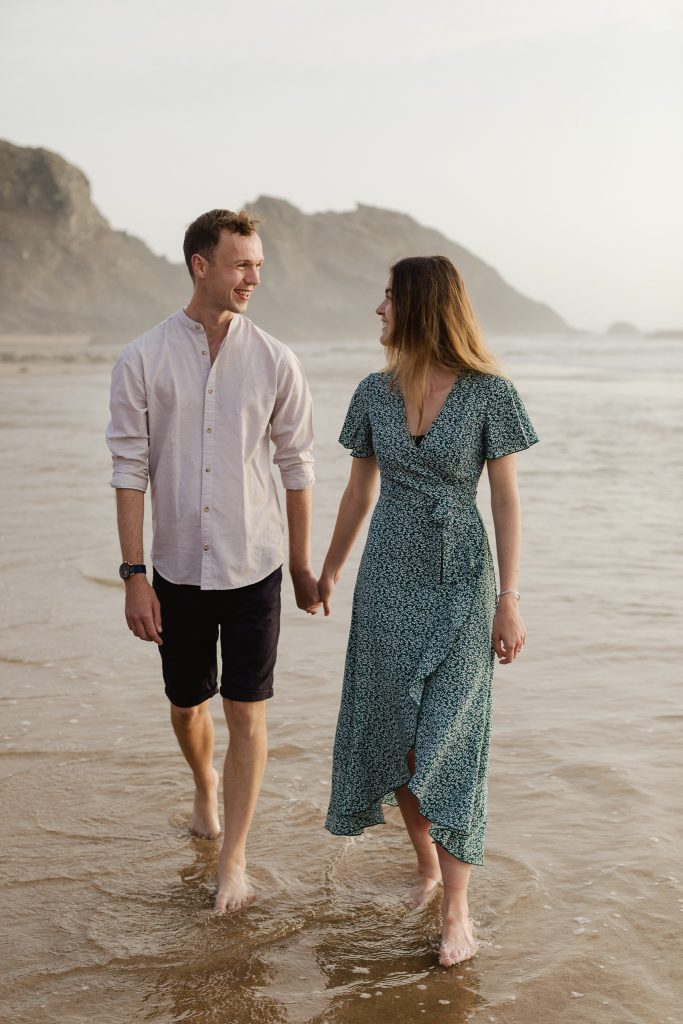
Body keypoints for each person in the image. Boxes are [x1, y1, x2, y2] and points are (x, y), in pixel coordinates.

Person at [318, 255, 539, 966]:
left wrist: (509, 599)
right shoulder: (371, 394)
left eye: (387, 299)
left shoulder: (489, 395)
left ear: (417, 305)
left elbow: (504, 499)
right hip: (385, 580)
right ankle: (424, 866)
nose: (378, 310)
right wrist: (327, 568)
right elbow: (357, 493)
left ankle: (458, 911)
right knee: (400, 737)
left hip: (462, 584)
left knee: (453, 740)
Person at [106, 209, 320, 914]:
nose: (253, 277)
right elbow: (129, 470)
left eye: (257, 264)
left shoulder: (275, 359)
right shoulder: (142, 358)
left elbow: (296, 467)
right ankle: (204, 787)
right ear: (202, 265)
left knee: (247, 713)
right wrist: (135, 575)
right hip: (174, 568)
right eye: (241, 264)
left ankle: (234, 861)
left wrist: (299, 563)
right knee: (186, 701)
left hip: (253, 565)